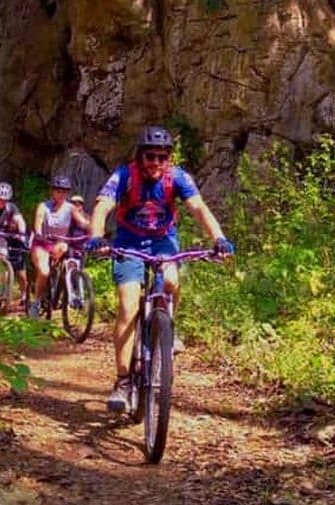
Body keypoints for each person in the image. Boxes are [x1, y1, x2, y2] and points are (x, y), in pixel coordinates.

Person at [87, 125, 234, 412]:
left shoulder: (177, 177)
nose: (156, 162)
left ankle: (168, 327)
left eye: (162, 157)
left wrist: (219, 238)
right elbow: (103, 206)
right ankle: (123, 381)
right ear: (140, 156)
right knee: (128, 307)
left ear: (169, 159)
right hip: (128, 242)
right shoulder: (124, 176)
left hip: (163, 242)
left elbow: (199, 208)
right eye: (150, 156)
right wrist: (96, 236)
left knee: (170, 279)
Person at [29, 175, 90, 318]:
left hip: (59, 243)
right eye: (58, 191)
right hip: (42, 244)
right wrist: (39, 233)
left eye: (64, 191)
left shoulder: (71, 208)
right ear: (53, 191)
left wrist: (93, 230)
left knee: (65, 248)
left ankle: (63, 285)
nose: (61, 194)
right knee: (44, 271)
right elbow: (38, 222)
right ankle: (36, 303)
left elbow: (83, 223)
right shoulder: (43, 206)